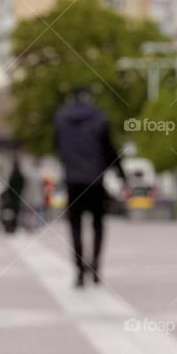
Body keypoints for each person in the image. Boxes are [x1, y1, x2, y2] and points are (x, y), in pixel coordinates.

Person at [53, 86, 127, 287]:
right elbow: (109, 149)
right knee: (98, 226)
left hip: (73, 181)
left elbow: (57, 146)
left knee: (75, 227)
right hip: (95, 181)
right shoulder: (99, 118)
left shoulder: (61, 119)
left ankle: (79, 271)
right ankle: (95, 267)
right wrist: (121, 173)